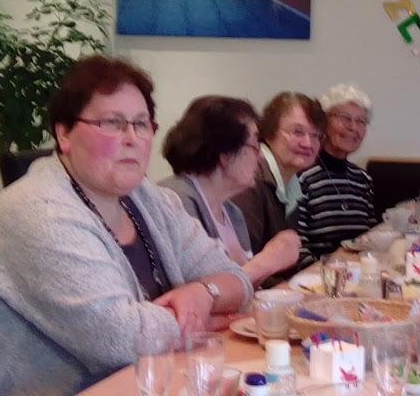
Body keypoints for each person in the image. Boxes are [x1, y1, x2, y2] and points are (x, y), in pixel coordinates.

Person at [0, 56, 251, 396]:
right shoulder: (37, 210)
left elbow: (238, 282)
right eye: (112, 123)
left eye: (141, 124)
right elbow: (122, 338)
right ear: (64, 134)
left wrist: (203, 292)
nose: (132, 138)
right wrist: (202, 320)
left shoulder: (151, 200)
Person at [159, 95, 301, 288]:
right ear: (226, 154)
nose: (260, 157)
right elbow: (201, 295)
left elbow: (242, 291)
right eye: (255, 146)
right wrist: (269, 260)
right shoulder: (175, 202)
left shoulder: (231, 212)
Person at [293, 83, 380, 262]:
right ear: (323, 123)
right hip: (316, 280)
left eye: (361, 121)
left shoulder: (362, 179)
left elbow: (369, 238)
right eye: (345, 118)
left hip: (358, 275)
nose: (353, 128)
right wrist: (326, 276)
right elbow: (296, 246)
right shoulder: (301, 176)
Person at [232, 91, 325, 254]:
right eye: (297, 132)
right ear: (269, 132)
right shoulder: (252, 181)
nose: (308, 143)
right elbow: (245, 265)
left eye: (315, 135)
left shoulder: (292, 183)